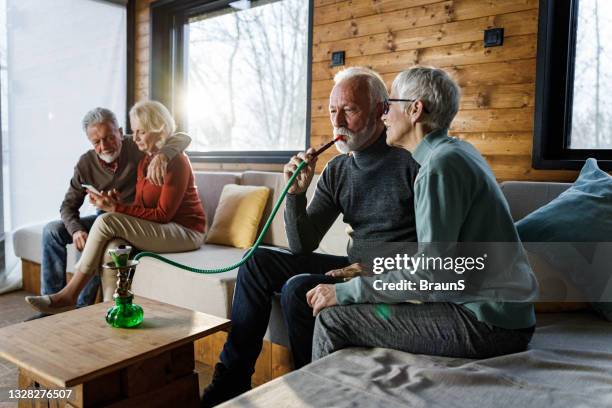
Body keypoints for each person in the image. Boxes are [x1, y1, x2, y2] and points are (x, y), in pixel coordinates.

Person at [200, 67, 420, 407]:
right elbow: (303, 245)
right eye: (333, 111)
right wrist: (295, 194)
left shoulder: (410, 164)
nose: (339, 121)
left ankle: (311, 388)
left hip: (388, 278)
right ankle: (231, 381)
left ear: (381, 110)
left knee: (298, 288)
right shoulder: (337, 169)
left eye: (350, 109)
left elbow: (433, 249)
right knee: (258, 261)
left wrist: (371, 270)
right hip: (351, 266)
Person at [307, 66, 538, 362]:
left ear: (415, 110)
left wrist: (346, 292)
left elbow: (432, 272)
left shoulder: (438, 167)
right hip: (502, 314)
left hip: (487, 322)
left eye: (390, 107)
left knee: (332, 319)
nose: (384, 115)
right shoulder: (457, 152)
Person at [26, 101, 206, 313]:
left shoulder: (142, 150)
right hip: (127, 217)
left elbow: (181, 137)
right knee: (65, 234)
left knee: (104, 223)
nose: (104, 146)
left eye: (110, 137)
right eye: (97, 142)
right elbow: (68, 205)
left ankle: (73, 299)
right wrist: (77, 229)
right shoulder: (97, 162)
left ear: (120, 133)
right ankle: (102, 310)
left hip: (150, 222)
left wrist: (165, 154)